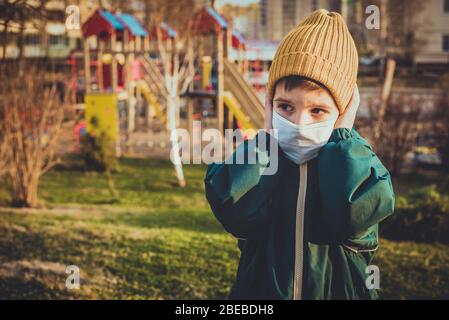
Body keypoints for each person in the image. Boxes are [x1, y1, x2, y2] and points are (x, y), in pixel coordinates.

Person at [204, 9, 395, 300]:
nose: (299, 123)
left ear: (343, 112)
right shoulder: (263, 158)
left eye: (317, 110)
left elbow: (353, 215)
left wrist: (341, 139)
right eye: (285, 107)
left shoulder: (357, 166)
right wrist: (267, 141)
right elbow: (234, 208)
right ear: (270, 105)